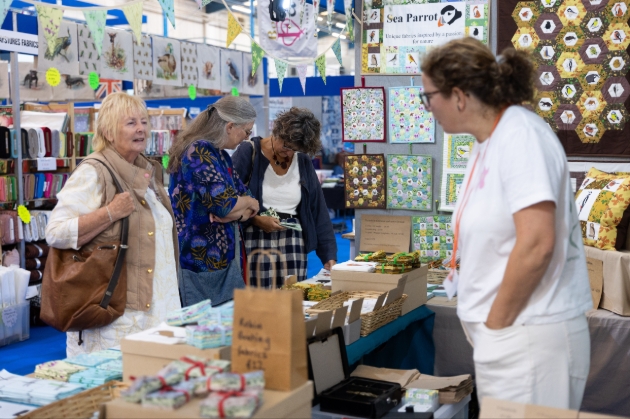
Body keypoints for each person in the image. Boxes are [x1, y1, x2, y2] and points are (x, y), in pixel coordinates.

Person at [420, 38, 592, 409]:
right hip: (510, 338)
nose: (427, 107)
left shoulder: (521, 136)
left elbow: (537, 244)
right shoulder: (488, 141)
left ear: (459, 96)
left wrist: (497, 326)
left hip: (528, 339)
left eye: (428, 97)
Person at [46, 92, 181, 356]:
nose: (141, 128)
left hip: (156, 312)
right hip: (115, 318)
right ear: (108, 131)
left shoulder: (146, 172)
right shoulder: (94, 171)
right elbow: (55, 232)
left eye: (144, 121)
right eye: (131, 123)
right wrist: (110, 212)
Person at [167, 97, 259, 306]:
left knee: (227, 326)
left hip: (224, 260)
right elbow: (225, 206)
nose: (246, 138)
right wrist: (235, 209)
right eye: (247, 131)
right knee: (203, 330)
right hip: (199, 262)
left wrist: (236, 209)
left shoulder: (220, 155)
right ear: (229, 126)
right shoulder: (198, 152)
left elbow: (251, 201)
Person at [232, 107, 337, 287]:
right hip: (256, 241)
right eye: (286, 146)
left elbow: (317, 208)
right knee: (259, 303)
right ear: (277, 131)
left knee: (292, 302)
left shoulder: (302, 161)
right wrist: (256, 220)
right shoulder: (248, 152)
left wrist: (328, 255)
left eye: (295, 150)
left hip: (294, 245)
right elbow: (229, 200)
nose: (288, 153)